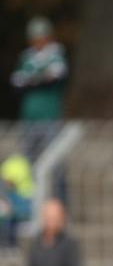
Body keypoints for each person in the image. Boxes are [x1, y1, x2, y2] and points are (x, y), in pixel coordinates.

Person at [10, 17, 67, 162]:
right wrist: (39, 78)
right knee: (29, 158)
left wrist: (32, 81)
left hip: (49, 115)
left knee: (53, 159)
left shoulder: (56, 53)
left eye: (41, 38)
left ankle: (59, 186)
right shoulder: (26, 57)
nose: (38, 42)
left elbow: (54, 78)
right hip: (29, 116)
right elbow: (16, 83)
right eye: (35, 38)